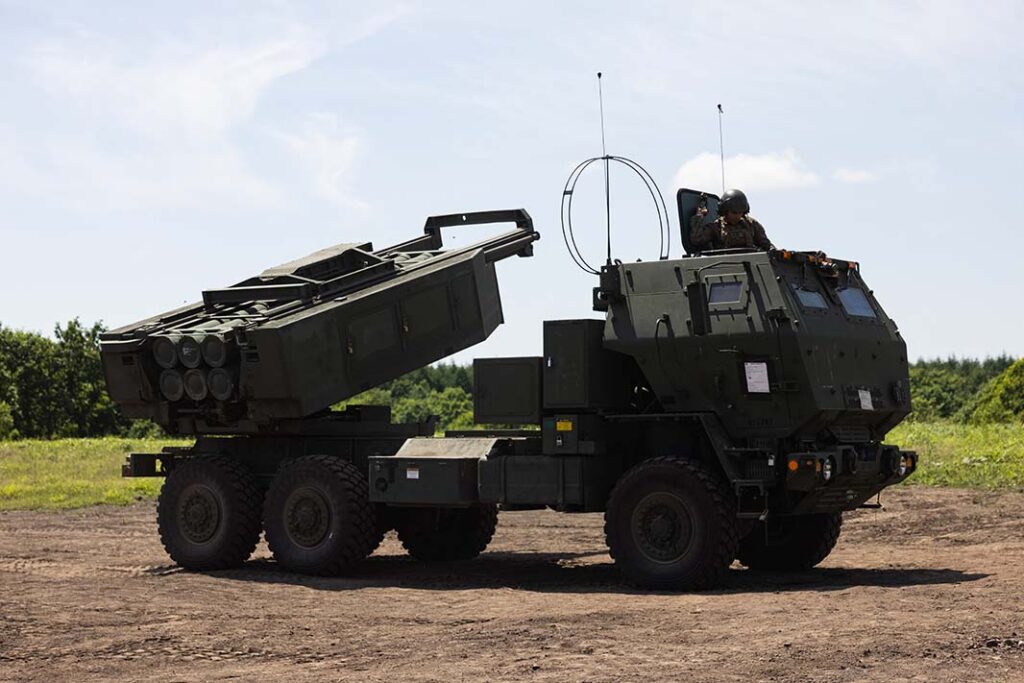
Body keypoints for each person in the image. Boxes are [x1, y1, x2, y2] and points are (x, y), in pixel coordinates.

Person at [689, 189, 774, 251]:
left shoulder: (751, 224)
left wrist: (774, 250)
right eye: (734, 212)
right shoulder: (716, 228)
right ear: (725, 211)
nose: (737, 216)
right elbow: (697, 239)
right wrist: (699, 217)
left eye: (740, 212)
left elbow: (766, 244)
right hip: (725, 266)